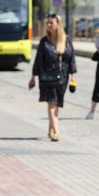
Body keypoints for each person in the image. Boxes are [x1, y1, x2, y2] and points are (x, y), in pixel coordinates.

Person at [29, 13, 77, 141]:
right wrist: (33, 77)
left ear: (58, 24)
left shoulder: (67, 40)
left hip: (63, 78)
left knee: (56, 104)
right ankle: (56, 131)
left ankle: (50, 129)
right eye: (48, 23)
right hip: (47, 77)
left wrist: (73, 77)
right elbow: (38, 60)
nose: (49, 25)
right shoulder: (44, 42)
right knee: (52, 103)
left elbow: (71, 59)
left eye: (51, 23)